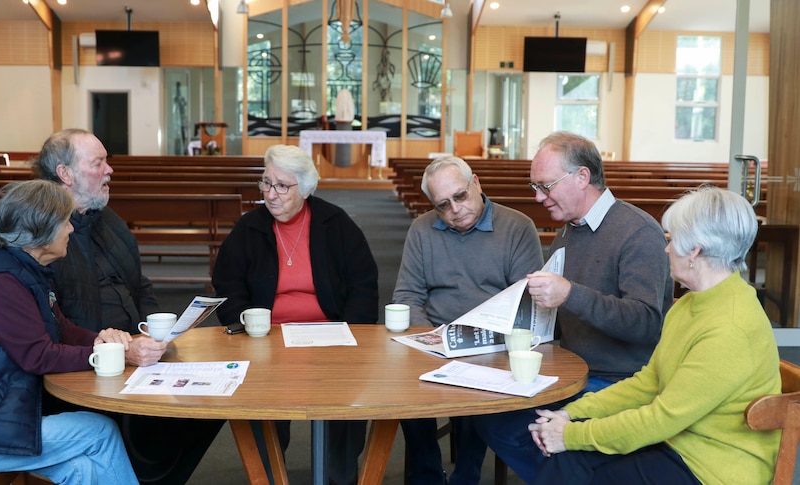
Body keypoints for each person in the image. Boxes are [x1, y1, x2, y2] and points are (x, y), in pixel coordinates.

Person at [528, 186, 780, 484]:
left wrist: (571, 435)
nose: (666, 248)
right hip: (677, 442)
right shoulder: (691, 303)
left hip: (711, 467)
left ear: (695, 250)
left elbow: (661, 418)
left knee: (574, 465)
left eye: (672, 239)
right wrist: (572, 414)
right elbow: (648, 383)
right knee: (566, 461)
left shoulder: (731, 327)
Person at [471, 131, 674, 483]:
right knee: (489, 415)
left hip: (619, 380)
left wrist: (569, 294)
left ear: (582, 177)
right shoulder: (571, 231)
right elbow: (568, 315)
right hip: (571, 370)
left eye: (546, 186)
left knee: (526, 428)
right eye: (535, 186)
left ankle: (573, 472)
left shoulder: (637, 232)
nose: (538, 197)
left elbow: (645, 323)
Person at [34, 128, 221, 484]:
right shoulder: (45, 236)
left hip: (136, 355)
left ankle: (148, 475)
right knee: (171, 418)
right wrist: (118, 351)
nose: (110, 170)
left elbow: (140, 285)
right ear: (65, 174)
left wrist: (154, 330)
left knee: (213, 404)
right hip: (86, 371)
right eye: (98, 163)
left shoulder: (108, 220)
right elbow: (54, 325)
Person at [0, 180, 140, 484]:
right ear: (41, 231)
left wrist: (98, 340)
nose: (71, 229)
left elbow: (61, 328)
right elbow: (38, 356)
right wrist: (104, 354)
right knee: (100, 431)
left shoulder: (22, 269)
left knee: (81, 470)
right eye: (64, 222)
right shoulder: (0, 283)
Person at [212, 144, 379, 485]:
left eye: (281, 186)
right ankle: (269, 475)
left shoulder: (336, 223)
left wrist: (350, 333)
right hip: (266, 340)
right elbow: (226, 285)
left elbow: (364, 284)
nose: (270, 194)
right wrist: (247, 321)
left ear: (304, 189)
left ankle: (339, 476)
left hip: (331, 338)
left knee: (347, 402)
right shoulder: (250, 227)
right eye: (266, 183)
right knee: (260, 406)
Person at [392, 155, 544, 485]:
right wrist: (430, 339)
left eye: (460, 196)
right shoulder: (421, 229)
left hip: (494, 340)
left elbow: (526, 304)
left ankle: (466, 476)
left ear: (475, 182)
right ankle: (428, 474)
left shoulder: (517, 227)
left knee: (478, 390)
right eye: (442, 205)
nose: (455, 210)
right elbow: (407, 296)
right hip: (433, 337)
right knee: (404, 391)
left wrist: (483, 340)